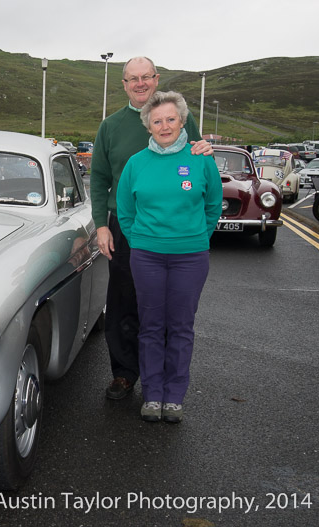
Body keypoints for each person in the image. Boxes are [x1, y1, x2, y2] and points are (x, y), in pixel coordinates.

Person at [90, 57, 213, 401]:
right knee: (124, 301)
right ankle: (125, 374)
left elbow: (200, 164)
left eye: (146, 77)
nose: (140, 83)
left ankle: (160, 384)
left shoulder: (179, 119)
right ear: (125, 84)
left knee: (167, 310)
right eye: (133, 78)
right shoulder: (110, 126)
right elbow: (99, 181)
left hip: (173, 233)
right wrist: (103, 225)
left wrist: (205, 148)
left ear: (156, 79)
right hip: (125, 227)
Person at [116, 91, 222, 423]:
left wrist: (193, 239)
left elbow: (213, 206)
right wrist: (144, 241)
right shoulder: (136, 163)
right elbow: (126, 213)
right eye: (157, 120)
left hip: (190, 258)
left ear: (182, 121)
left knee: (180, 327)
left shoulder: (201, 159)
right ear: (148, 125)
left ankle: (174, 396)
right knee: (150, 326)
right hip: (146, 257)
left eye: (171, 119)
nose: (165, 126)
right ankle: (152, 394)